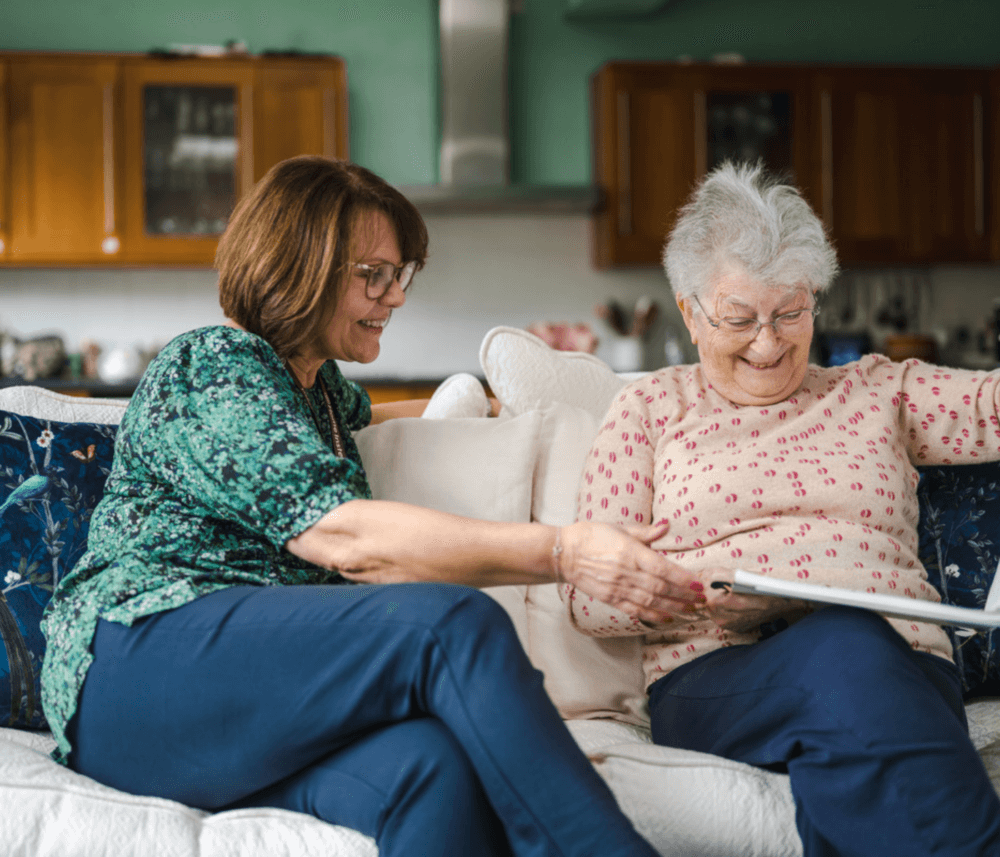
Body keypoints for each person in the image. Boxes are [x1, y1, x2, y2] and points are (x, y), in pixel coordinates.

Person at [40, 156, 705, 857]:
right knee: (449, 622)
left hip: (233, 704)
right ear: (301, 264)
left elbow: (391, 417)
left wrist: (508, 408)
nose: (395, 296)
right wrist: (565, 550)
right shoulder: (213, 366)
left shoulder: (319, 392)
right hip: (134, 668)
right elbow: (345, 536)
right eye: (374, 275)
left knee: (431, 768)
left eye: (401, 275)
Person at [562, 161, 1000, 857]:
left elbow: (991, 408)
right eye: (740, 319)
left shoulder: (877, 390)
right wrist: (700, 595)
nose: (768, 343)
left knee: (851, 721)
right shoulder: (650, 408)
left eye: (790, 313)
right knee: (845, 649)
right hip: (719, 677)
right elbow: (591, 598)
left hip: (906, 665)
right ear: (690, 312)